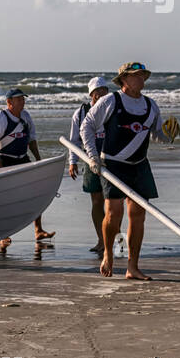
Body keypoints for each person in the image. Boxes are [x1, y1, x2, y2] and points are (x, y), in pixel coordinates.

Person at [80, 61, 168, 280]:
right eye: (136, 75)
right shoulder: (110, 101)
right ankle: (108, 255)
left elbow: (156, 135)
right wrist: (92, 157)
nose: (141, 79)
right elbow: (87, 126)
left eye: (143, 76)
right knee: (113, 213)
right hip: (113, 164)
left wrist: (168, 134)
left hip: (140, 165)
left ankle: (133, 266)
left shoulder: (151, 105)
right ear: (124, 79)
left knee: (138, 215)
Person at [0, 87, 54, 248]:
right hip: (5, 161)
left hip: (23, 159)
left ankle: (38, 230)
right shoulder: (1, 117)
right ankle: (3, 235)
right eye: (19, 99)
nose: (23, 102)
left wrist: (38, 159)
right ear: (9, 102)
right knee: (4, 199)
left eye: (23, 99)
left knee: (37, 192)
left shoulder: (26, 117)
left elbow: (32, 140)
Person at [68, 76, 112, 254]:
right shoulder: (80, 113)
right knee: (96, 202)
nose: (100, 96)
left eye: (103, 92)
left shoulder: (113, 110)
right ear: (91, 95)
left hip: (111, 161)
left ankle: (113, 240)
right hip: (90, 162)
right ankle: (101, 240)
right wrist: (73, 162)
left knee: (112, 204)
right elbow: (74, 140)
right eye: (97, 93)